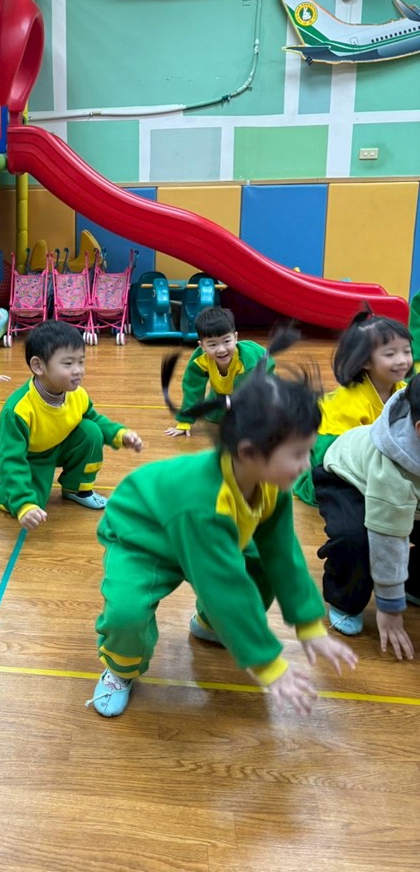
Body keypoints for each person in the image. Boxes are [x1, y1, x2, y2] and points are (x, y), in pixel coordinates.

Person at [89, 342, 357, 719]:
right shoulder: (204, 503)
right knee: (126, 614)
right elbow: (222, 584)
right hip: (145, 535)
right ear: (248, 453)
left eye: (308, 452)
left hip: (200, 532)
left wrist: (309, 624)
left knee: (259, 569)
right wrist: (268, 664)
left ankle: (211, 625)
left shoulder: (270, 482)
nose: (306, 465)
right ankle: (120, 668)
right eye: (297, 454)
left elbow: (283, 554)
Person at [0, 320, 143, 531]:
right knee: (32, 502)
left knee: (91, 431)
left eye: (81, 362)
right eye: (68, 364)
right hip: (29, 456)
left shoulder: (78, 394)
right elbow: (13, 459)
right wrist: (23, 504)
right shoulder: (18, 410)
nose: (78, 371)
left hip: (57, 443)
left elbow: (95, 419)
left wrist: (119, 434)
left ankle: (76, 489)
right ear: (38, 366)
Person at [314, 374, 420, 646]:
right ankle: (345, 599)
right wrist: (389, 605)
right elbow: (388, 536)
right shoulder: (394, 469)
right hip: (348, 478)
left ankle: (414, 580)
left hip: (409, 498)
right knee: (356, 538)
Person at [294, 310, 413, 506]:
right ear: (365, 361)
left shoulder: (403, 390)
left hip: (373, 462)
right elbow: (331, 456)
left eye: (406, 351)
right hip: (330, 464)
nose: (402, 360)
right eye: (390, 354)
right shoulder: (349, 403)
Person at [164, 306, 274, 437]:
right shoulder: (199, 361)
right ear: (202, 346)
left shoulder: (248, 363)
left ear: (236, 338)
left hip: (260, 380)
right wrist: (184, 422)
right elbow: (192, 390)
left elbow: (249, 395)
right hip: (224, 389)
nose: (221, 350)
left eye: (227, 341)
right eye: (212, 345)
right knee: (215, 416)